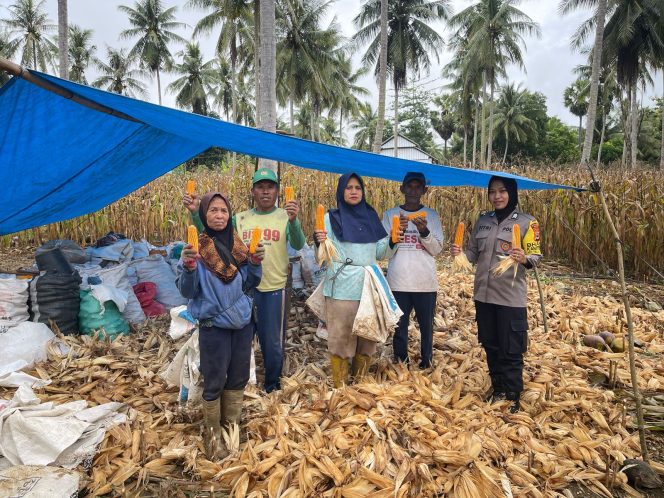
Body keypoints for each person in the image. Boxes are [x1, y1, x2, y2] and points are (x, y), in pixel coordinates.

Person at [184, 168, 306, 393]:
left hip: (274, 288)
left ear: (278, 191)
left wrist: (295, 221)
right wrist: (194, 213)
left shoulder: (285, 215)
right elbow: (212, 236)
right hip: (244, 290)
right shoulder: (240, 218)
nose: (265, 191)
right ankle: (239, 386)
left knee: (272, 343)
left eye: (270, 187)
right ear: (253, 191)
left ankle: (272, 386)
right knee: (241, 340)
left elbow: (298, 244)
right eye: (260, 187)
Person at [176, 192, 264, 459]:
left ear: (230, 215)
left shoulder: (240, 247)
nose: (218, 215)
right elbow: (187, 292)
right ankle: (213, 433)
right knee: (214, 379)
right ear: (204, 215)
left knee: (238, 377)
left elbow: (251, 283)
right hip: (214, 326)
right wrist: (189, 268)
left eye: (223, 211)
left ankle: (231, 426)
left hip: (242, 324)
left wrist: (257, 263)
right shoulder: (195, 250)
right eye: (213, 210)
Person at [450, 176, 542, 413]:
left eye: (502, 191)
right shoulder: (483, 222)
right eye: (493, 192)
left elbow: (536, 257)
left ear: (511, 193)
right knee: (491, 345)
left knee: (510, 348)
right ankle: (498, 388)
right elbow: (472, 253)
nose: (497, 196)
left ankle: (512, 395)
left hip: (510, 298)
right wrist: (459, 254)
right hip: (484, 296)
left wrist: (524, 258)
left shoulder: (526, 223)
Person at [314, 172, 403, 388]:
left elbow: (381, 252)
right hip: (341, 288)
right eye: (349, 187)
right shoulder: (329, 218)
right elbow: (324, 253)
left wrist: (392, 241)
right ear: (341, 190)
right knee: (341, 339)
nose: (354, 191)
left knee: (367, 339)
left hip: (369, 287)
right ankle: (341, 389)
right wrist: (319, 242)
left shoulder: (371, 216)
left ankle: (360, 386)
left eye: (357, 188)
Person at [382, 172, 444, 369]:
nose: (413, 191)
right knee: (399, 327)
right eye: (409, 186)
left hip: (425, 282)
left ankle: (427, 362)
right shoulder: (390, 215)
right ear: (402, 189)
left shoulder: (431, 216)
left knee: (426, 327)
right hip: (398, 281)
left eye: (418, 187)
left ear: (424, 191)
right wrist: (395, 235)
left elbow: (436, 249)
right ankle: (401, 362)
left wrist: (424, 231)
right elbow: (384, 252)